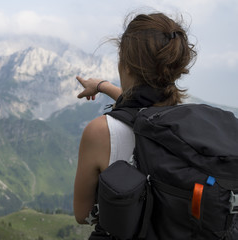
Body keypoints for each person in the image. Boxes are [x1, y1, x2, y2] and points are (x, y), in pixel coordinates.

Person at [73, 12, 197, 234]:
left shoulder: (100, 132)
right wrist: (102, 85)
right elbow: (144, 107)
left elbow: (82, 214)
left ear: (126, 66)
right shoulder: (191, 124)